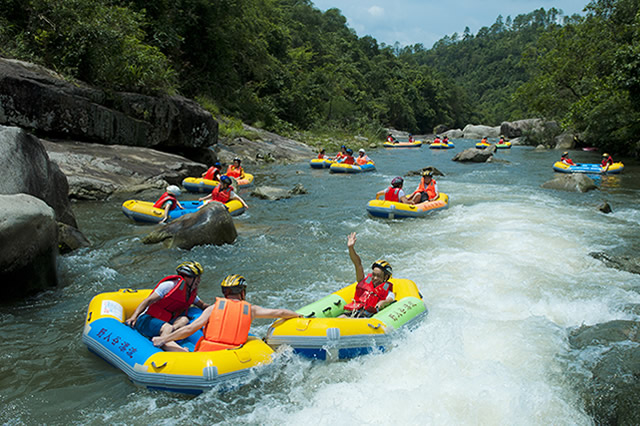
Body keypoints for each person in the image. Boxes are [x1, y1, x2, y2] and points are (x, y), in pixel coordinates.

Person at [151, 274, 302, 352]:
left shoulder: (213, 308)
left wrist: (164, 339)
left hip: (207, 355)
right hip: (233, 355)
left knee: (167, 344)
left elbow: (190, 329)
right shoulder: (251, 310)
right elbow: (280, 312)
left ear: (225, 293)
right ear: (243, 292)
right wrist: (298, 316)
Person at [125, 261, 209, 350]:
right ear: (185, 277)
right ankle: (172, 347)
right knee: (167, 327)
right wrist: (134, 317)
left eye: (199, 277)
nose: (198, 280)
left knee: (184, 319)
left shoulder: (190, 292)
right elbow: (148, 301)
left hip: (166, 321)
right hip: (146, 319)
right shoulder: (169, 285)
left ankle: (167, 335)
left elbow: (202, 305)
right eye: (195, 278)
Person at [340, 232, 395, 318]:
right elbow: (358, 264)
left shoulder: (388, 292)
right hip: (355, 312)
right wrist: (351, 248)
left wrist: (382, 302)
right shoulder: (363, 281)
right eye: (373, 275)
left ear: (386, 277)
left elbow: (389, 299)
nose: (375, 278)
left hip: (367, 317)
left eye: (378, 276)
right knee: (341, 317)